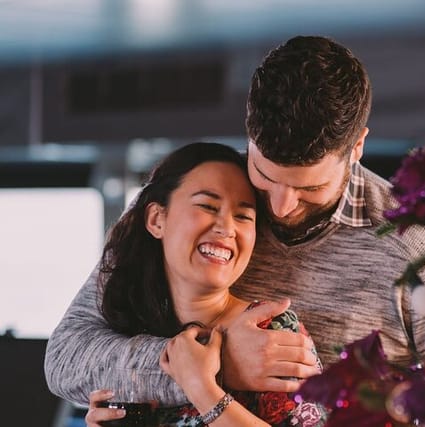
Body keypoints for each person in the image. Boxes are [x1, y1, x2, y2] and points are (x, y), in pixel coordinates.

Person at [45, 35, 425, 407]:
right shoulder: (183, 203)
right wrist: (218, 367)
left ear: (358, 147)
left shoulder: (420, 245)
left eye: (308, 188)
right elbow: (66, 359)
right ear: (250, 133)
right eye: (265, 176)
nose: (281, 205)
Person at [82, 141, 326, 426]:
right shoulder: (124, 339)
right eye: (208, 206)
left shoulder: (270, 331)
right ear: (156, 219)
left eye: (243, 216)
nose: (226, 227)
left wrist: (203, 390)